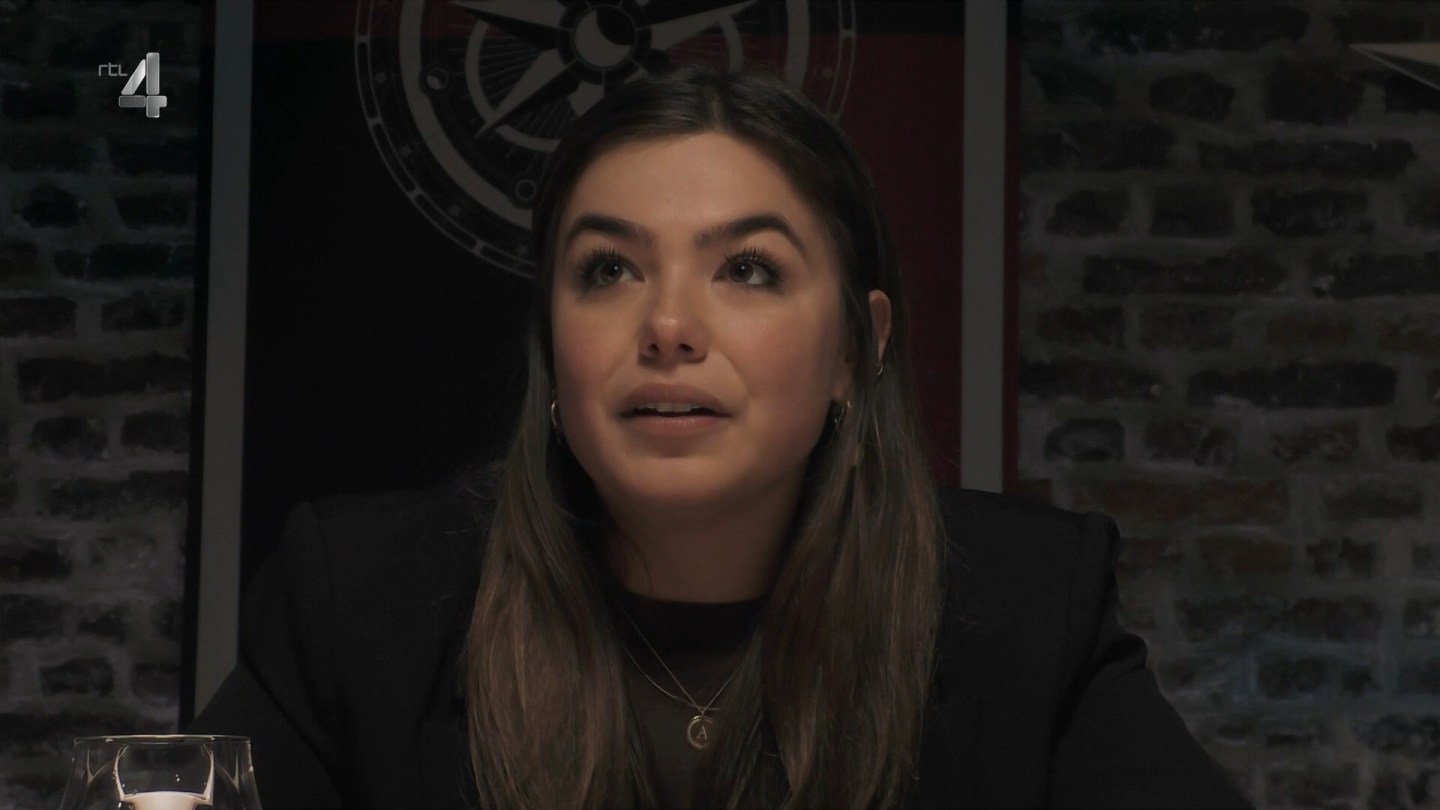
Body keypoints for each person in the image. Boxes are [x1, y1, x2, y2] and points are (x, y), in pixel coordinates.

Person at [189, 65, 1252, 809]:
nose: (667, 327)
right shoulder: (358, 606)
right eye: (609, 270)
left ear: (855, 349)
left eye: (747, 270)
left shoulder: (1029, 612)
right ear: (553, 348)